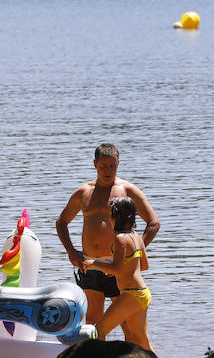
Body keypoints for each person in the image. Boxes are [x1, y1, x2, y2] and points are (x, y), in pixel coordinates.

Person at [55, 142, 160, 333]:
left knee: (128, 326)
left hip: (120, 269)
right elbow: (61, 222)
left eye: (112, 165)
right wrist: (71, 251)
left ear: (118, 163)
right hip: (91, 266)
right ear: (95, 164)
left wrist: (133, 252)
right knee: (92, 323)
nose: (107, 170)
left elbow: (153, 223)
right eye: (103, 165)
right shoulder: (83, 192)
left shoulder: (128, 191)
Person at [83, 196, 153, 351]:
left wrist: (94, 262)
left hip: (132, 294)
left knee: (98, 330)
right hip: (142, 293)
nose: (108, 216)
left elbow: (116, 269)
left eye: (110, 213)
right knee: (142, 342)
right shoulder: (136, 236)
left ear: (116, 216)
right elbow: (144, 266)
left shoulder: (120, 238)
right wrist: (116, 270)